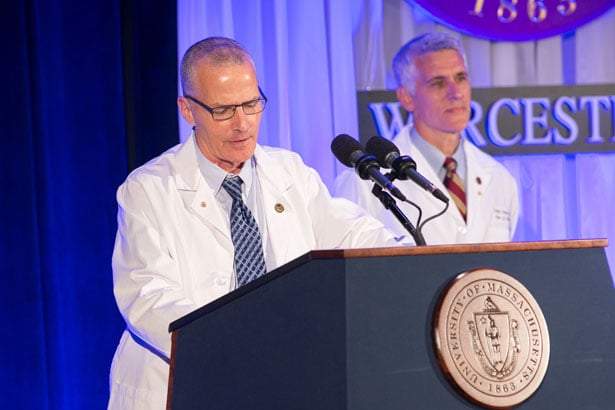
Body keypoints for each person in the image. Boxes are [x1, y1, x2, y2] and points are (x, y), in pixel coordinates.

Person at [108, 37, 400, 409]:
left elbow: (351, 232)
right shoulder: (147, 190)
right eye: (223, 110)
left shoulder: (290, 171)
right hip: (183, 385)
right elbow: (147, 296)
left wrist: (402, 257)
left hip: (278, 380)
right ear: (187, 109)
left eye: (251, 104)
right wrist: (237, 344)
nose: (242, 124)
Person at [334, 32, 519, 245]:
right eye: (438, 83)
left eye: (461, 78)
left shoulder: (499, 178)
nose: (455, 93)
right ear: (407, 97)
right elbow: (348, 266)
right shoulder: (365, 181)